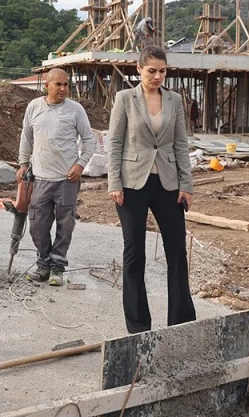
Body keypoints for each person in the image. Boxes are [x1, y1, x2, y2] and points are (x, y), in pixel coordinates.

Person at [107, 46, 195, 333]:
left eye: (162, 71)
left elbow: (180, 144)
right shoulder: (125, 99)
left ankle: (180, 322)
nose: (157, 76)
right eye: (151, 71)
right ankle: (138, 326)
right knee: (134, 254)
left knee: (177, 252)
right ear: (139, 69)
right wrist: (114, 183)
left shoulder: (175, 101)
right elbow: (115, 143)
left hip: (168, 184)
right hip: (132, 184)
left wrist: (187, 185)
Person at [17, 68, 95, 286]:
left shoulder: (75, 110)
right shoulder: (34, 107)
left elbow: (89, 141)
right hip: (41, 177)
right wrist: (24, 164)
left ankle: (57, 268)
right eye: (58, 84)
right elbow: (27, 136)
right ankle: (43, 263)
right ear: (47, 86)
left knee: (65, 223)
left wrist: (80, 165)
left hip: (66, 179)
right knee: (37, 225)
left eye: (66, 85)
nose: (63, 89)